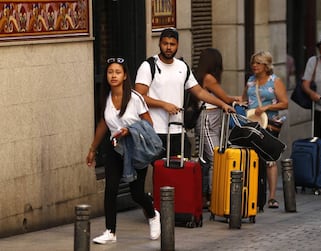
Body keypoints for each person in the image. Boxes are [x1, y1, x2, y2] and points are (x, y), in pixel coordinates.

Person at [86, 57, 161, 244]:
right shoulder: (106, 98)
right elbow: (103, 124)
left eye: (118, 72)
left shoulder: (135, 98)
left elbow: (148, 123)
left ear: (125, 75)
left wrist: (131, 131)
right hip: (114, 148)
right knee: (110, 189)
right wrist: (92, 149)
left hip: (135, 149)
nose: (113, 75)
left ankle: (153, 215)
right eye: (110, 72)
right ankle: (110, 231)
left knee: (136, 193)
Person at [134, 28, 234, 159]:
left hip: (178, 130)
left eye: (172, 44)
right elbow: (139, 97)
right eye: (165, 44)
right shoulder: (148, 66)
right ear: (159, 44)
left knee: (180, 173)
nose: (168, 47)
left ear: (177, 45)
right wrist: (164, 105)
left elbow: (199, 92)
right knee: (162, 172)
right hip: (156, 130)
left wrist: (222, 104)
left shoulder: (182, 66)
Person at [241, 51, 289, 209]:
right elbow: (244, 100)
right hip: (252, 123)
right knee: (254, 158)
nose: (254, 66)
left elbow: (284, 103)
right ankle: (255, 193)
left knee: (269, 159)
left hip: (269, 123)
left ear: (266, 66)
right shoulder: (250, 82)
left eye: (258, 63)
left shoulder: (275, 81)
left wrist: (267, 107)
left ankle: (272, 196)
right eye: (253, 63)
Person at [194, 48, 241, 207]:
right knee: (216, 158)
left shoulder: (204, 77)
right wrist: (235, 99)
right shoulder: (208, 78)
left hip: (213, 118)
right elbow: (224, 98)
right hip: (207, 118)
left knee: (207, 161)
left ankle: (205, 195)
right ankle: (216, 195)